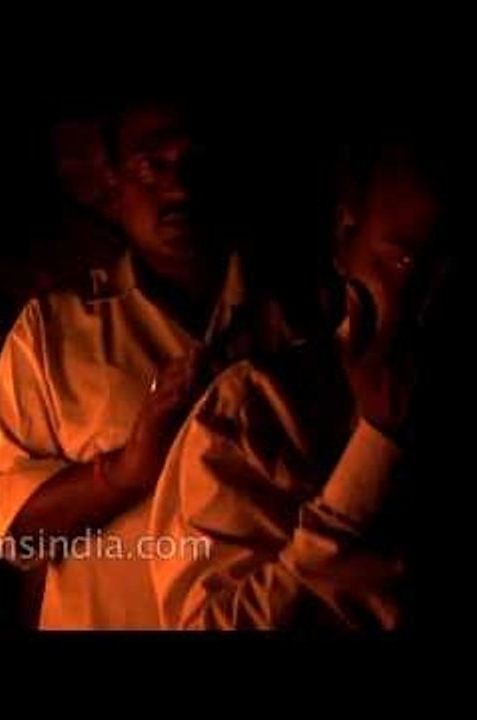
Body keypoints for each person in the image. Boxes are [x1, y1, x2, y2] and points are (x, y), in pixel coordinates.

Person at [0, 97, 292, 629]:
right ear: (113, 186)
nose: (179, 188)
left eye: (194, 163)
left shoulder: (301, 322)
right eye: (150, 165)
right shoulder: (55, 330)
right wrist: (125, 474)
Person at [147, 136, 455, 629]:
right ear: (345, 236)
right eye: (405, 261)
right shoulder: (256, 409)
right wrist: (375, 454)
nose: (435, 295)